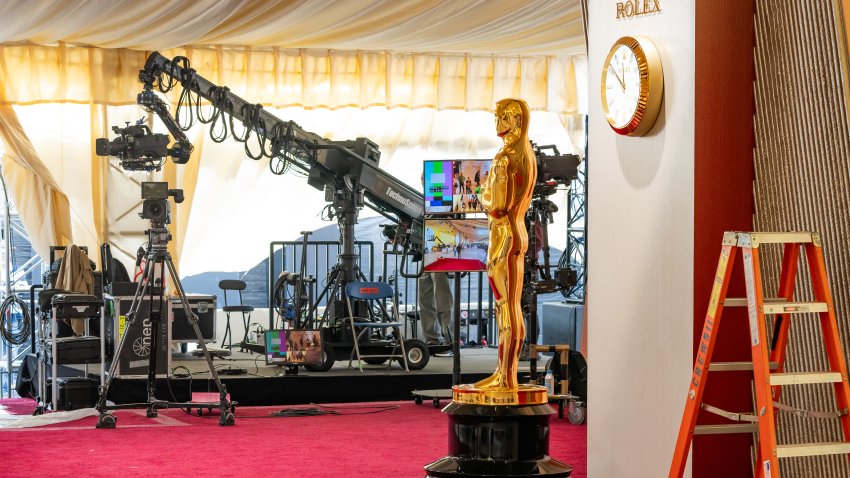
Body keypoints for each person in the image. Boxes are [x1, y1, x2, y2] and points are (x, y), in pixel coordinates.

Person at [418, 272, 453, 355]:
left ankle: (451, 343)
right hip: (425, 261)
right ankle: (432, 341)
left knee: (443, 301)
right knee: (425, 303)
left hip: (442, 261)